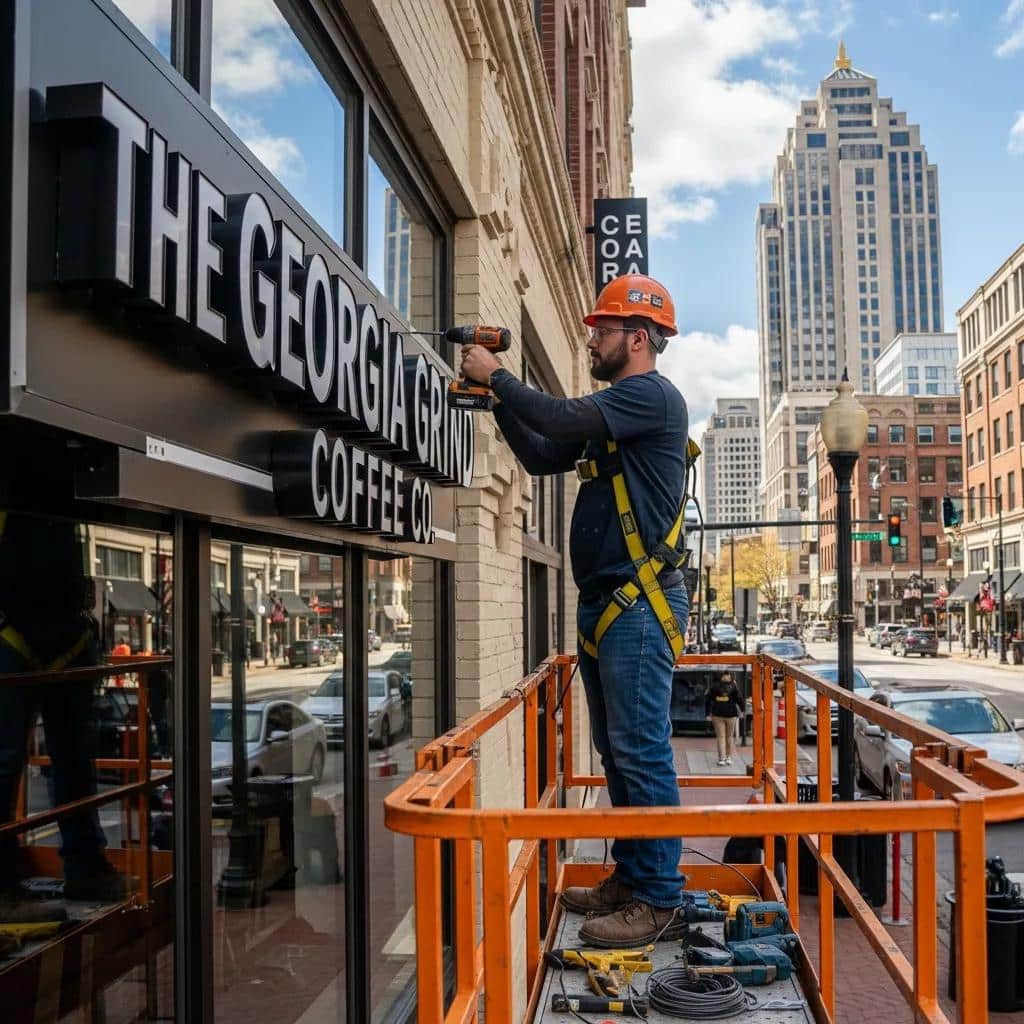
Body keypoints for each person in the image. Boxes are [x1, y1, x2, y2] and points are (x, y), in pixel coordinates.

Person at [460, 273, 690, 946]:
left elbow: (558, 418)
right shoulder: (617, 412)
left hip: (638, 605)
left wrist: (498, 377)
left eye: (603, 330)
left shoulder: (651, 396)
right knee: (617, 753)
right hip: (611, 607)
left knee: (640, 751)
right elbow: (540, 454)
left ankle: (660, 898)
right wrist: (494, 398)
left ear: (638, 338)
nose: (592, 340)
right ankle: (635, 877)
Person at [705, 671, 744, 766]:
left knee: (721, 737)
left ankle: (721, 758)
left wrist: (707, 713)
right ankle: (728, 757)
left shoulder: (714, 686)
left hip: (717, 714)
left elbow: (708, 700)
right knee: (729, 737)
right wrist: (742, 710)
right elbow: (739, 698)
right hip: (731, 714)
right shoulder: (734, 686)